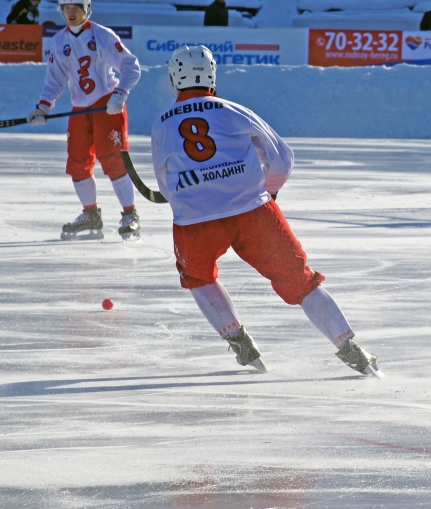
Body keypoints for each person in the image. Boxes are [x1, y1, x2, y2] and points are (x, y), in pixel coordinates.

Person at [150, 44, 380, 376]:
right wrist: (267, 192)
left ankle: (238, 339)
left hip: (196, 220)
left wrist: (187, 199)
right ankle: (350, 346)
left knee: (198, 276)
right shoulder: (233, 110)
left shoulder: (161, 124)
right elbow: (282, 159)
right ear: (213, 75)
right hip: (252, 213)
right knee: (298, 279)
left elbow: (163, 179)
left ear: (174, 79)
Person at [27, 0, 142, 241]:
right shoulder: (59, 41)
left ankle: (130, 213)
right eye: (66, 8)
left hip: (106, 107)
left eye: (75, 7)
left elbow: (131, 66)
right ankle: (91, 214)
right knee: (77, 163)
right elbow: (54, 80)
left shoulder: (102, 35)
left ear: (86, 9)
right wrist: (44, 106)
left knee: (112, 159)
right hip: (80, 110)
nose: (71, 12)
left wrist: (120, 93)